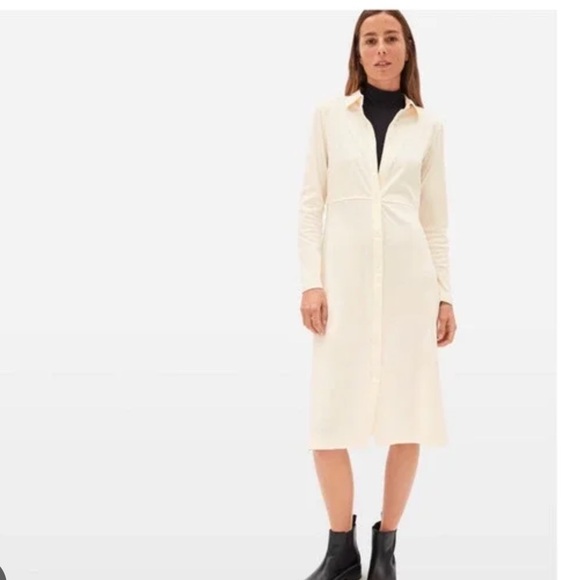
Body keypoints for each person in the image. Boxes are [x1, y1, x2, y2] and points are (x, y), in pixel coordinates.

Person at [297, 10, 458, 580]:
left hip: (411, 289)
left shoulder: (428, 126)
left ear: (407, 49)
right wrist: (311, 281)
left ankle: (385, 553)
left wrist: (444, 295)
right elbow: (310, 206)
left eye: (391, 38)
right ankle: (341, 551)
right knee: (327, 421)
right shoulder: (328, 117)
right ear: (358, 52)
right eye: (371, 40)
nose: (381, 48)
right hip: (342, 289)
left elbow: (434, 222)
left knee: (407, 416)